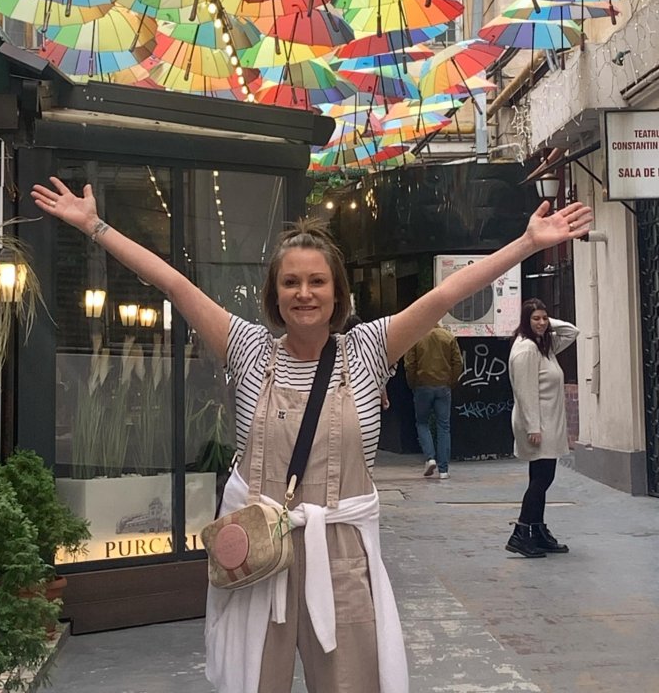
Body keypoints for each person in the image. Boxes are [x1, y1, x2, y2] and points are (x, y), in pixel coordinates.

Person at [30, 177, 592, 693]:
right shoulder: (248, 351)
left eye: (316, 281)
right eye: (291, 282)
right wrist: (93, 226)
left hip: (341, 549)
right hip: (259, 548)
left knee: (350, 681)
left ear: (336, 291)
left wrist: (525, 244)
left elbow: (444, 297)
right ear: (274, 295)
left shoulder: (371, 350)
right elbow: (174, 284)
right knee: (256, 682)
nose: (304, 292)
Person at [506, 298, 579, 559]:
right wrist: (533, 427)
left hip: (549, 423)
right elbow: (525, 393)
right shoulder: (526, 350)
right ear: (525, 321)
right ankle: (521, 531)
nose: (541, 323)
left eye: (544, 318)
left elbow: (572, 332)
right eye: (535, 318)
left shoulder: (543, 346)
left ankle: (537, 530)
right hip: (538, 426)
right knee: (542, 479)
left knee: (540, 477)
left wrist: (547, 326)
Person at [404, 324, 463, 479]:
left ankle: (430, 458)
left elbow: (410, 364)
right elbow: (458, 362)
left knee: (422, 423)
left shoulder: (417, 336)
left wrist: (412, 383)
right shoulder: (448, 337)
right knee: (444, 426)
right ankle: (444, 470)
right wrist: (451, 381)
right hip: (443, 386)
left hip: (422, 385)